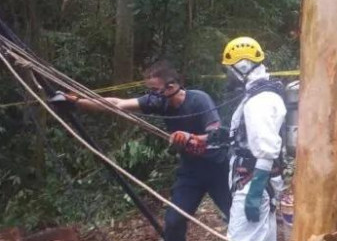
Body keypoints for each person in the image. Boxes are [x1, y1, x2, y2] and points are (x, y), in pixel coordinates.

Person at [64, 61, 230, 241]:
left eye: (155, 89)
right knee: (173, 222)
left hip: (218, 168)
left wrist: (190, 137)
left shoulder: (199, 99)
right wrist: (78, 103)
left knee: (237, 216)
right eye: (149, 90)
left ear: (171, 86)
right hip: (191, 172)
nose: (152, 95)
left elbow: (216, 135)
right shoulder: (159, 101)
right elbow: (117, 104)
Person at [221, 37, 286, 241]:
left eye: (230, 70)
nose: (228, 76)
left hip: (253, 182)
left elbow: (267, 148)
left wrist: (255, 192)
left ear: (243, 66)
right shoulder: (257, 96)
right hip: (257, 180)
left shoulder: (259, 101)